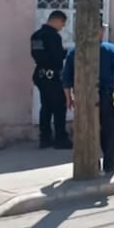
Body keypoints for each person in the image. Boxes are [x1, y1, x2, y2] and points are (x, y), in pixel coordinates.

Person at [61, 16, 114, 174]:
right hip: (104, 95)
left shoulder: (75, 51)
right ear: (98, 31)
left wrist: (68, 97)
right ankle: (111, 163)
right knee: (109, 130)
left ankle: (91, 164)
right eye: (102, 28)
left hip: (83, 98)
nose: (103, 31)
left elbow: (66, 77)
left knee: (87, 130)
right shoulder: (109, 49)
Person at [31, 10, 72, 149]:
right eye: (63, 23)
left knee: (46, 108)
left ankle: (45, 138)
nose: (62, 27)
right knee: (59, 107)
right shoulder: (53, 36)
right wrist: (67, 52)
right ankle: (61, 139)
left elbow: (37, 55)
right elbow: (56, 56)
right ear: (57, 20)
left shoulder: (36, 36)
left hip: (41, 76)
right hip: (53, 76)